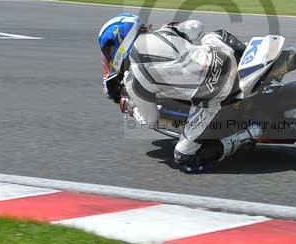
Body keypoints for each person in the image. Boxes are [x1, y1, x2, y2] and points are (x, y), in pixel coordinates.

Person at [98, 13, 257, 172]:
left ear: (120, 41)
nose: (110, 55)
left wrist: (130, 108)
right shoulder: (165, 31)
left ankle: (247, 135)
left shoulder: (133, 79)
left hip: (216, 93)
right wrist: (177, 32)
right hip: (227, 55)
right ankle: (248, 57)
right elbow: (197, 25)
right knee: (213, 35)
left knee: (184, 156)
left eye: (109, 49)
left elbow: (152, 120)